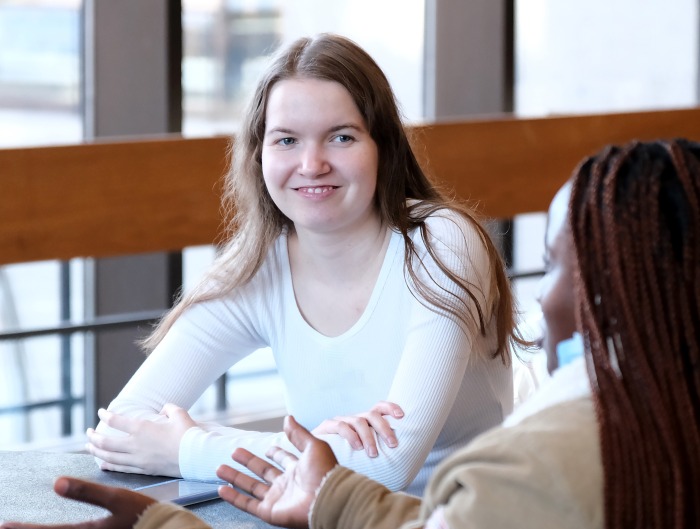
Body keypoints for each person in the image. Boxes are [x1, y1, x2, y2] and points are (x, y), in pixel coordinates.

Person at [5, 137, 699, 529]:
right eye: (285, 140)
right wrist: (339, 496)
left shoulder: (545, 465)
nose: (311, 163)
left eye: (551, 267)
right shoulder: (662, 427)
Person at [84, 33, 519, 497]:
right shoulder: (258, 267)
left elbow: (391, 466)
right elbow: (123, 427)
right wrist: (321, 449)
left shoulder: (439, 243)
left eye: (341, 137)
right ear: (259, 155)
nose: (311, 165)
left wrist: (190, 448)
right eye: (287, 140)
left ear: (383, 148)